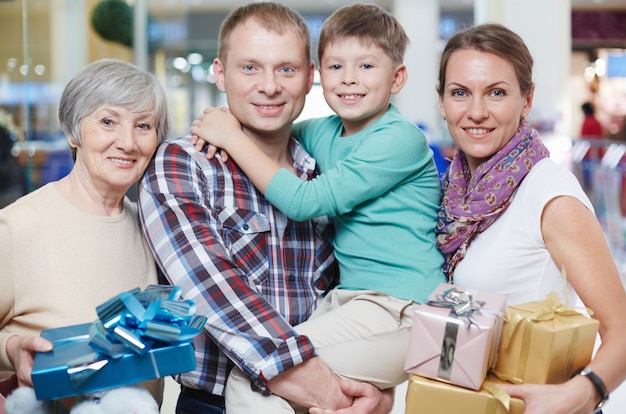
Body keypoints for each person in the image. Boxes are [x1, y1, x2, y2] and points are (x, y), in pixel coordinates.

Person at [137, 3, 393, 414]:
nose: (270, 86)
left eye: (287, 69)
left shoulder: (325, 170)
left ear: (310, 77)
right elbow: (210, 287)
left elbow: (358, 284)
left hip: (330, 395)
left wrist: (375, 390)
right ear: (220, 73)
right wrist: (320, 386)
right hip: (219, 404)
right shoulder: (184, 164)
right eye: (250, 68)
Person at [191, 3, 445, 413]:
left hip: (403, 309)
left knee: (262, 374)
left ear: (397, 77)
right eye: (335, 67)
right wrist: (226, 119)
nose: (349, 80)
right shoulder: (323, 131)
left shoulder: (400, 140)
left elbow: (305, 202)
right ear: (317, 75)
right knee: (304, 389)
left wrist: (231, 138)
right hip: (352, 302)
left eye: (366, 66)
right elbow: (268, 125)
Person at [435, 23, 626, 414]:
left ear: (526, 99)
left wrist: (585, 392)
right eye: (460, 93)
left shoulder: (548, 193)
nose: (476, 112)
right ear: (441, 102)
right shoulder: (452, 191)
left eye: (497, 93)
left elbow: (621, 327)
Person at [0, 58, 169, 406]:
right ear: (73, 132)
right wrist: (12, 349)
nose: (127, 142)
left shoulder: (152, 229)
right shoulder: (18, 226)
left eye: (143, 125)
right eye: (108, 122)